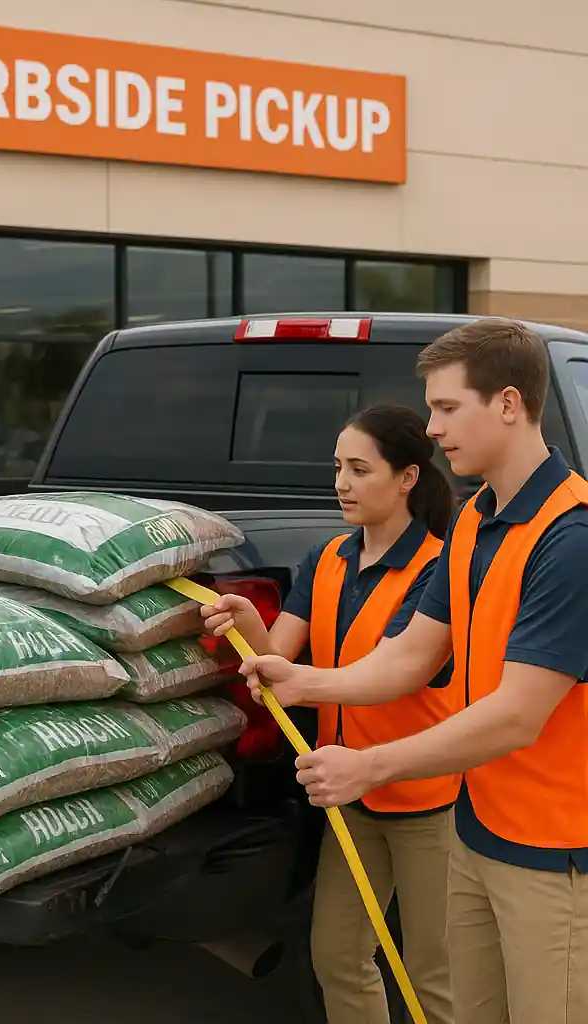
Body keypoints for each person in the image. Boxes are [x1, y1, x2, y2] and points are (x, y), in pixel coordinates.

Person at [241, 318, 588, 1024]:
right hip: (477, 828)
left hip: (554, 855)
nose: (430, 428)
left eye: (447, 407)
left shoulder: (570, 537)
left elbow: (519, 713)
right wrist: (302, 681)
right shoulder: (474, 521)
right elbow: (410, 655)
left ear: (510, 404)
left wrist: (372, 767)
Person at [202, 403, 457, 1024]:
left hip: (428, 801)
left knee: (434, 977)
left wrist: (298, 681)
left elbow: (395, 674)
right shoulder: (327, 560)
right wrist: (248, 624)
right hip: (349, 795)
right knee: (338, 956)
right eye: (338, 467)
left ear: (407, 479)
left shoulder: (440, 571)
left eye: (359, 469)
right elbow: (277, 660)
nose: (341, 482)